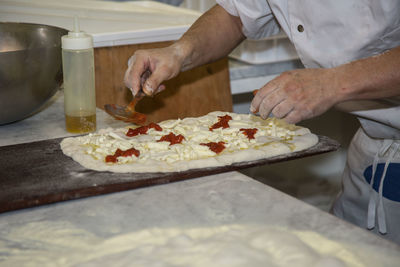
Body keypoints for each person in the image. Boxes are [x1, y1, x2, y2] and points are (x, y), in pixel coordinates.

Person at [124, 1, 400, 244]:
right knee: (350, 252)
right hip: (376, 145)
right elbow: (238, 13)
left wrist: (333, 83)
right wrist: (179, 53)